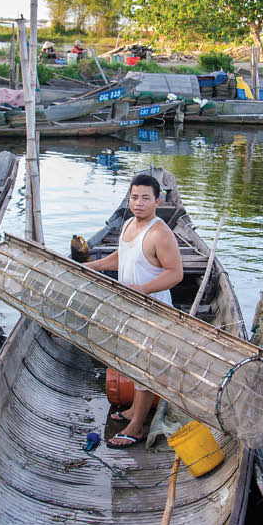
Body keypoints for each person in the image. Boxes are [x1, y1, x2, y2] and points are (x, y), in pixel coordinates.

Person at [82, 173, 184, 448]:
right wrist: (93, 266)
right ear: (129, 198)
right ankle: (132, 411)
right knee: (132, 361)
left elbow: (176, 274)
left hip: (152, 310)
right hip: (129, 308)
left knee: (145, 367)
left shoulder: (160, 233)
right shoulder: (128, 223)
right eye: (134, 197)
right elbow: (121, 255)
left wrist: (143, 289)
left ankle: (137, 426)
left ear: (157, 201)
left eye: (145, 198)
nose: (139, 203)